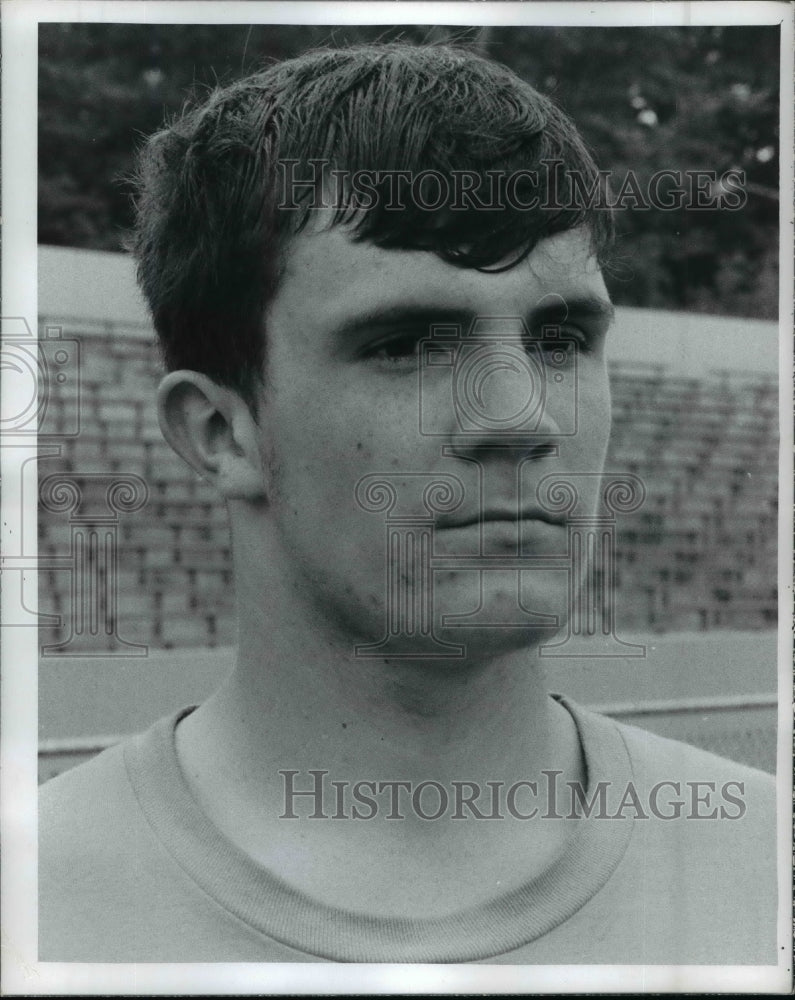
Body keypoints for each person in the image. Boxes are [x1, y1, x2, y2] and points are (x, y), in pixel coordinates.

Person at [40, 42, 776, 964]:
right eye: (406, 345)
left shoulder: (764, 862)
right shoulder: (33, 904)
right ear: (221, 432)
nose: (521, 417)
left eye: (560, 338)